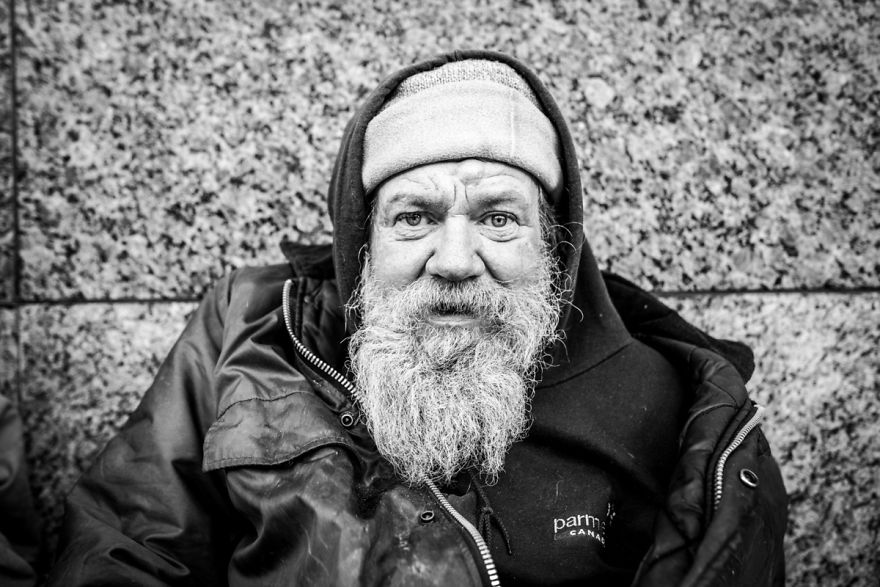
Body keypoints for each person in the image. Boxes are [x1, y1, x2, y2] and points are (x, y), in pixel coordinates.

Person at [48, 50, 787, 586]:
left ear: (554, 248)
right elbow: (124, 549)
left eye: (498, 218)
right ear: (363, 244)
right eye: (414, 217)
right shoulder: (248, 330)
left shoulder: (673, 407)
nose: (455, 259)